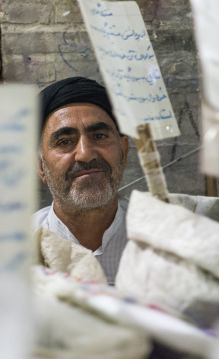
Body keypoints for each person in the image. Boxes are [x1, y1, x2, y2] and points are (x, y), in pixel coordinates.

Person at [32, 77, 129, 284]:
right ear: (41, 166)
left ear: (123, 151)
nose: (85, 154)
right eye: (65, 142)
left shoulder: (163, 242)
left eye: (100, 136)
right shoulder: (16, 253)